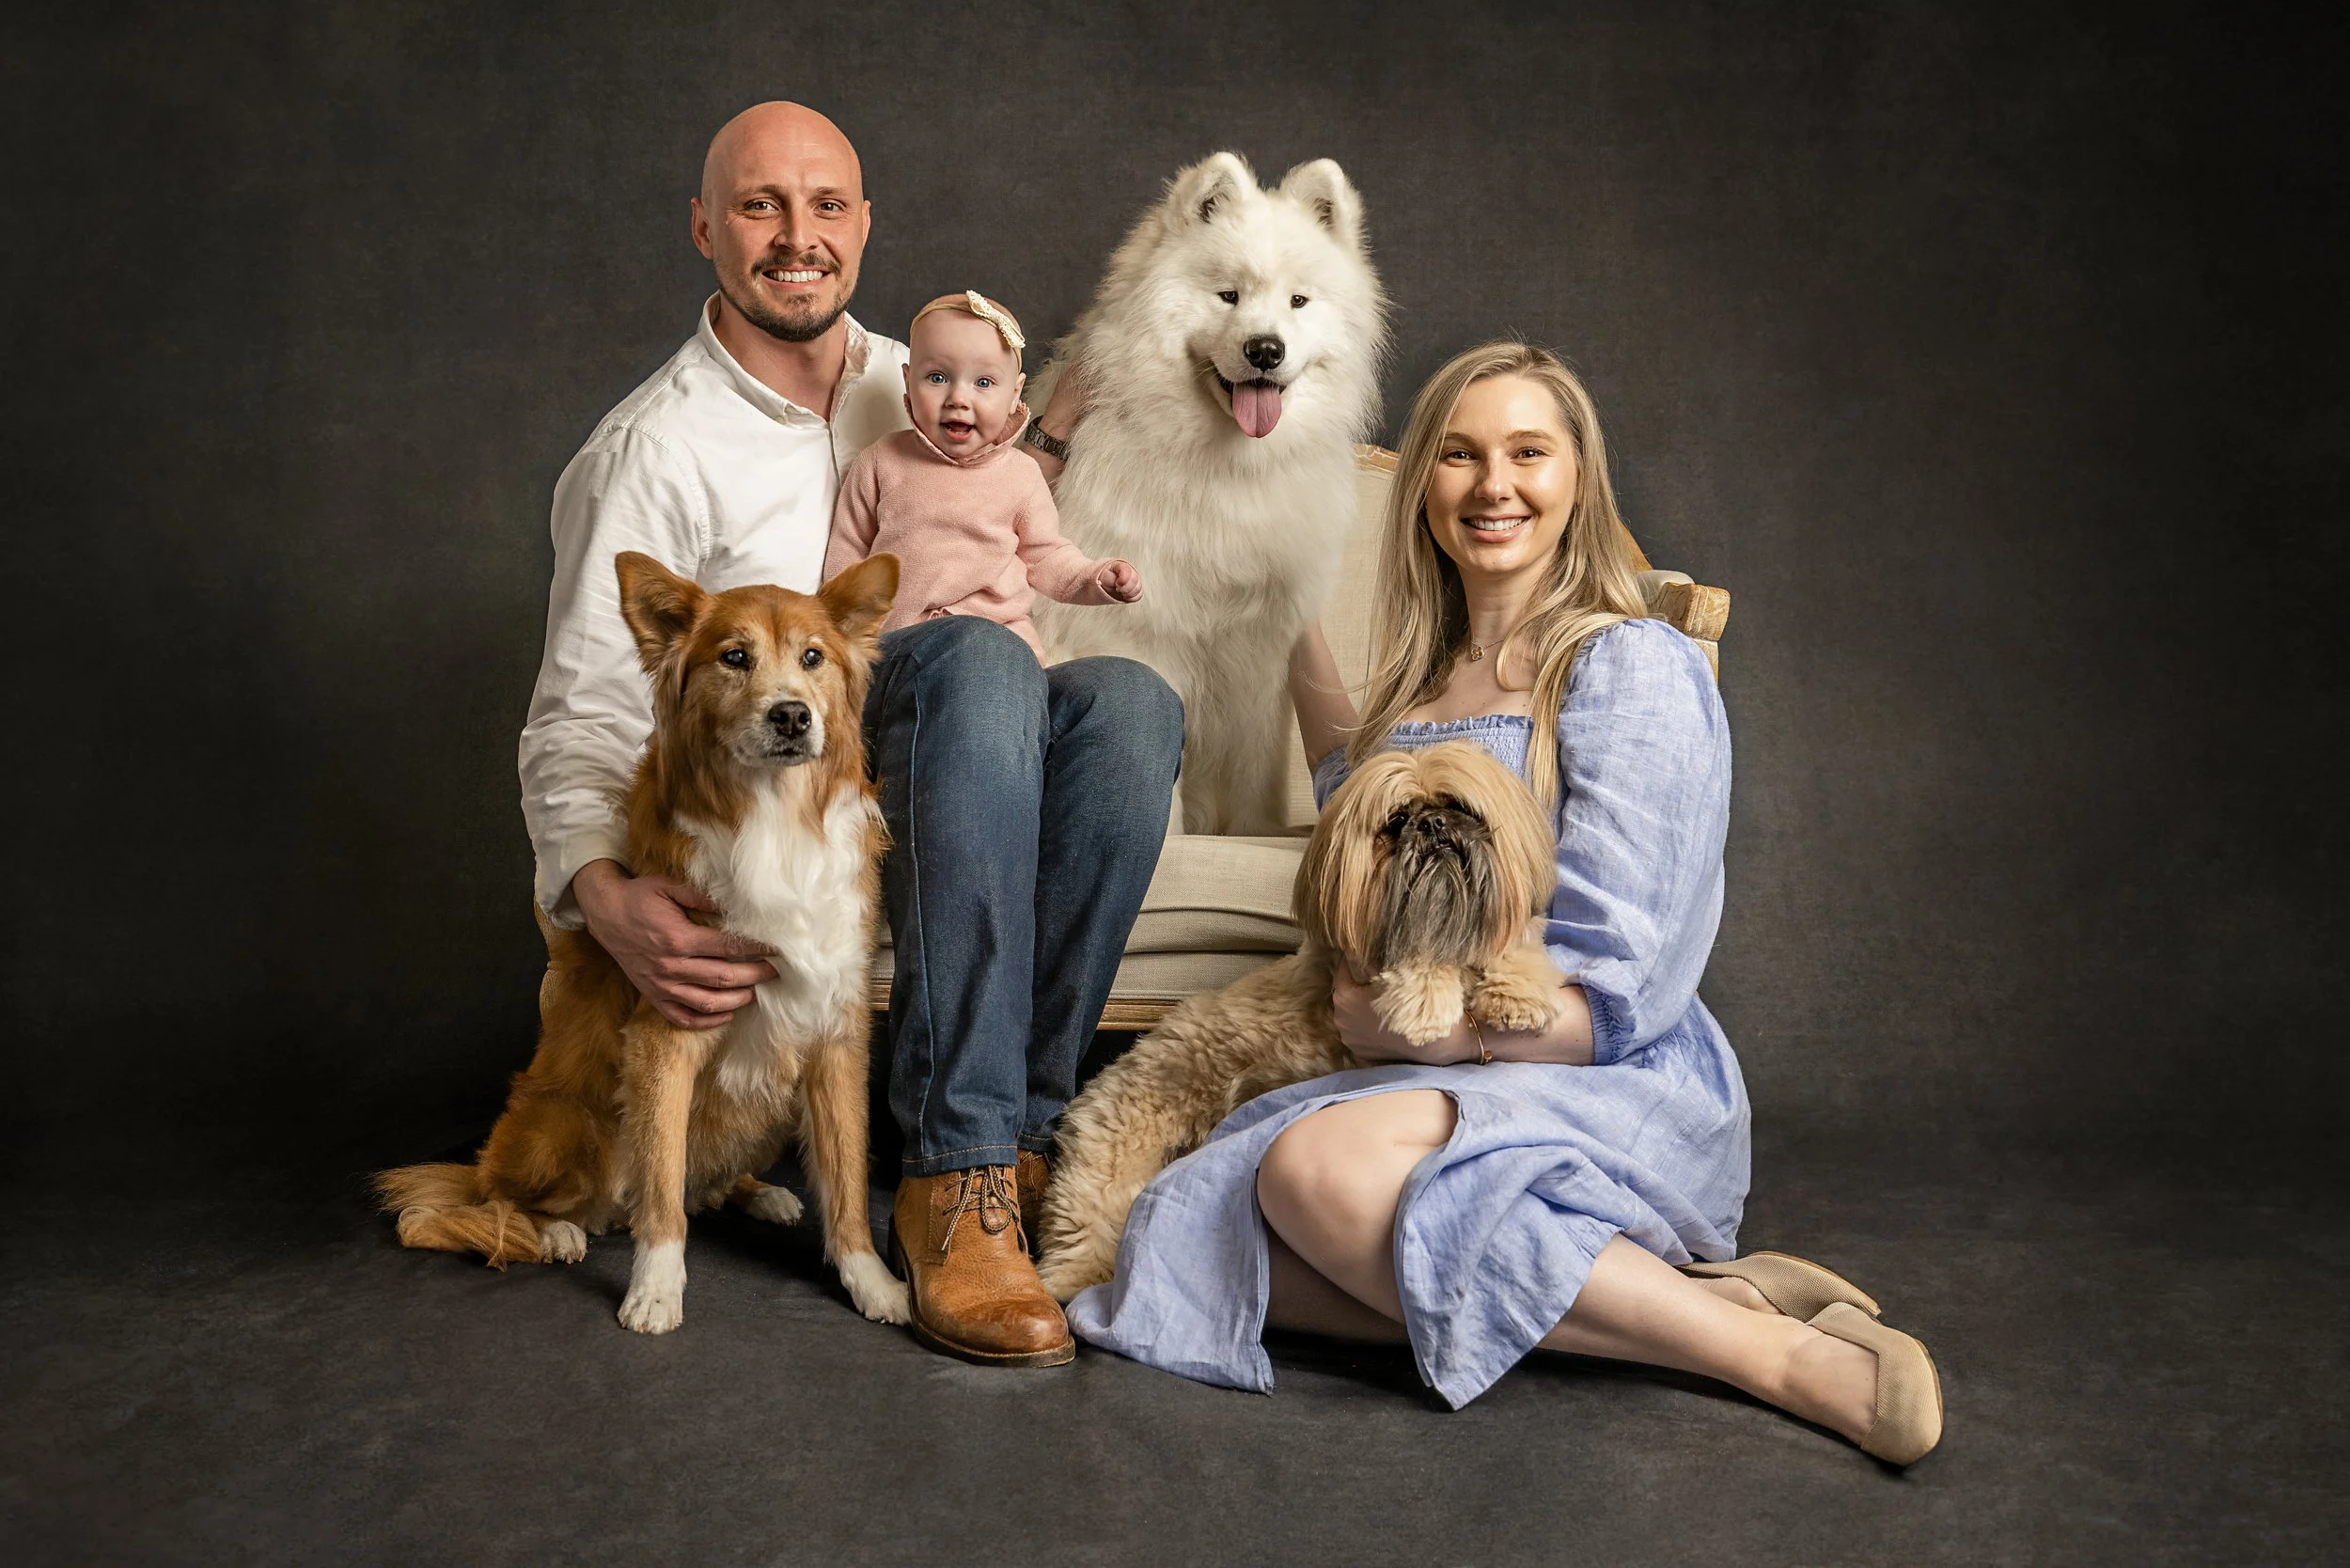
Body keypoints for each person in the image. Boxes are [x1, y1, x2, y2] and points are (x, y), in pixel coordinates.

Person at [1067, 341, 1942, 1463]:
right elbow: (1364, 815)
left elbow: (1623, 984)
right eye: (1459, 455)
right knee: (1177, 1240)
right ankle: (1680, 1298)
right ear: (1423, 481)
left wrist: (1427, 1034)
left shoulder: (1625, 663)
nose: (1493, 486)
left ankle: (1777, 1358)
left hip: (1590, 1071)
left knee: (1300, 1184)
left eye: (1528, 452)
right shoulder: (1426, 678)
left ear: (1578, 477)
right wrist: (1289, 622)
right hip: (1411, 1071)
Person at [519, 102, 1183, 1367]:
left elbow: (997, 498)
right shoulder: (651, 450)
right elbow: (580, 713)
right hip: (806, 771)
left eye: (827, 206)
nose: (797, 237)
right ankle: (956, 1172)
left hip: (928, 746)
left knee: (1132, 704)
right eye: (761, 205)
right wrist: (603, 897)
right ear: (707, 226)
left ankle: (1024, 1132)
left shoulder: (920, 365)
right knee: (984, 664)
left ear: (864, 225)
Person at [822, 290, 1141, 657]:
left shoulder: (1020, 475)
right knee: (966, 650)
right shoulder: (881, 462)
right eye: (938, 377)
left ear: (1013, 394)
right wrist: (840, 639)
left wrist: (1095, 576)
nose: (959, 398)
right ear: (908, 381)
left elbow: (1047, 556)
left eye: (984, 383)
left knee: (1132, 687)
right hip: (906, 651)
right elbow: (847, 554)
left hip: (1003, 651)